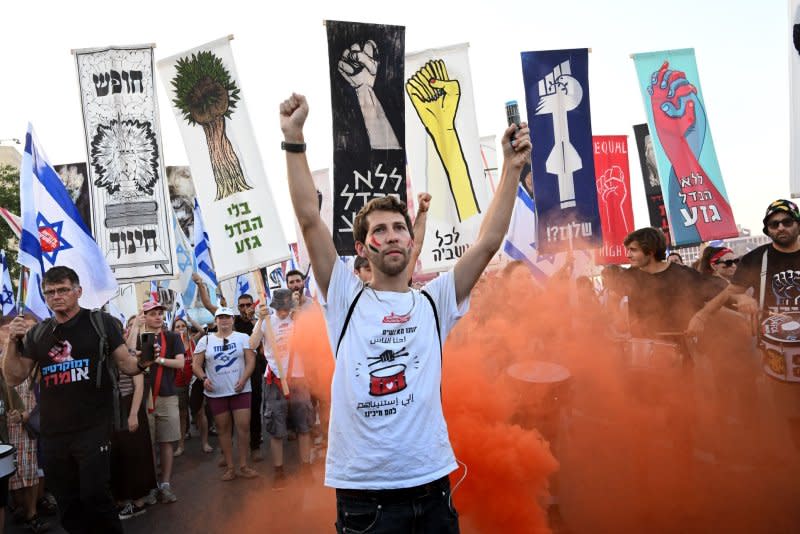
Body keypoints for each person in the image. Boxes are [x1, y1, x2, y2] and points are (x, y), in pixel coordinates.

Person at [280, 92, 530, 531]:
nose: (392, 236)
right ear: (362, 248)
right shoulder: (345, 298)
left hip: (433, 488)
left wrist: (511, 169)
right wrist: (294, 139)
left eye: (399, 228)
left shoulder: (435, 302)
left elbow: (488, 242)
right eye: (379, 230)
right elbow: (307, 220)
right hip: (365, 498)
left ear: (411, 241)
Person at [2, 266, 146, 534]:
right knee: (67, 503)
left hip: (94, 427)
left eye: (63, 290)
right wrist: (12, 342)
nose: (56, 296)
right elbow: (14, 377)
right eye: (50, 292)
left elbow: (127, 364)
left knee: (95, 496)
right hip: (54, 433)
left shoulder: (100, 323)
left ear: (78, 292)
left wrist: (147, 360)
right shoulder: (38, 334)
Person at [250, 289, 314, 488]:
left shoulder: (298, 320)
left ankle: (306, 468)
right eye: (280, 309)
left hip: (299, 379)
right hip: (275, 380)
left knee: (304, 426)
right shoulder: (267, 321)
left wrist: (300, 319)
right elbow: (252, 344)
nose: (283, 313)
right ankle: (279, 471)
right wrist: (260, 322)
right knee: (276, 428)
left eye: (287, 309)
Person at [125, 301, 185, 504]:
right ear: (145, 316)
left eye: (160, 313)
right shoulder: (140, 337)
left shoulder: (172, 337)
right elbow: (128, 355)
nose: (158, 317)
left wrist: (157, 360)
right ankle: (150, 484)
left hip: (167, 395)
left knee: (167, 441)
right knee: (147, 444)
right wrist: (135, 325)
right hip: (143, 398)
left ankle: (165, 484)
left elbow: (180, 363)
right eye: (153, 314)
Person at [192, 307, 257, 481]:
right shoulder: (206, 340)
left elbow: (251, 361)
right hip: (216, 393)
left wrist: (243, 379)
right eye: (220, 317)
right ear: (216, 320)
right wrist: (204, 378)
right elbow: (196, 365)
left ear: (233, 320)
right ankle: (230, 467)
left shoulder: (243, 338)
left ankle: (243, 465)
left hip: (241, 390)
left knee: (243, 428)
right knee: (223, 430)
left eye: (227, 317)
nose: (224, 320)